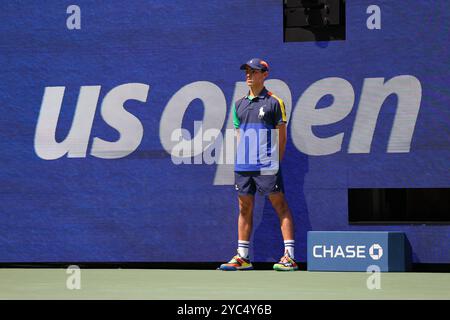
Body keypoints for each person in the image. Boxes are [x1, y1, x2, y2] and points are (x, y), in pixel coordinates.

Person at [219, 58, 298, 271]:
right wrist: (243, 158)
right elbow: (238, 135)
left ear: (264, 74)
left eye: (253, 71)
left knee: (280, 205)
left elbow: (282, 138)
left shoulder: (275, 102)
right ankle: (243, 257)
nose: (248, 75)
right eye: (247, 71)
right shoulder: (239, 105)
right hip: (244, 165)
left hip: (267, 164)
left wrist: (275, 162)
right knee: (244, 207)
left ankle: (289, 257)